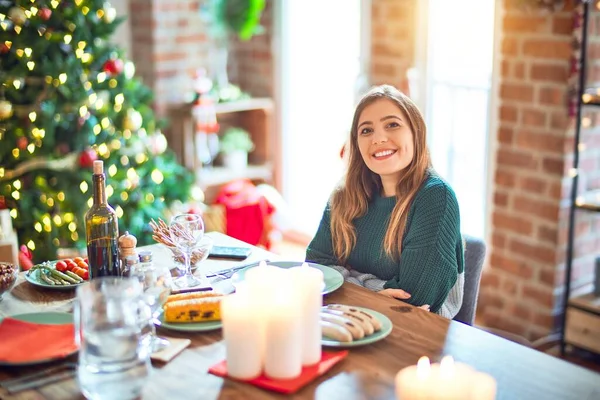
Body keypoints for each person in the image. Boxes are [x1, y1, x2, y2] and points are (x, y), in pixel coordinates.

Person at [305, 84, 464, 318]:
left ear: (416, 132)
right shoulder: (344, 195)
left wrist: (347, 280)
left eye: (392, 125)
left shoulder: (436, 197)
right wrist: (375, 291)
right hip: (349, 319)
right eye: (366, 131)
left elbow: (411, 300)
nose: (378, 138)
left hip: (416, 334)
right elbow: (315, 268)